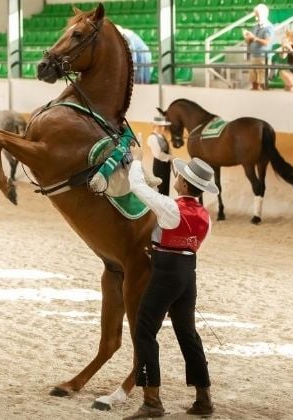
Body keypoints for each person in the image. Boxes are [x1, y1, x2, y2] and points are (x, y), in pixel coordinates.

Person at [123, 147, 218, 420]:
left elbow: (138, 187)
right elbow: (189, 245)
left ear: (185, 184)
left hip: (166, 275)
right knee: (188, 334)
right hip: (189, 274)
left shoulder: (171, 207)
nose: (176, 176)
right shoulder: (205, 217)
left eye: (180, 176)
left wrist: (137, 162)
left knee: (144, 330)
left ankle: (152, 401)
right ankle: (204, 398)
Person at [244, 4, 274, 90]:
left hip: (263, 57)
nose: (256, 17)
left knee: (262, 80)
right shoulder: (255, 26)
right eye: (256, 14)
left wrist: (254, 38)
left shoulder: (269, 28)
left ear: (265, 14)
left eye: (258, 15)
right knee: (253, 79)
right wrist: (248, 38)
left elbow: (267, 42)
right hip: (253, 55)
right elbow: (250, 40)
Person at [147, 116, 173, 195]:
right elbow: (158, 154)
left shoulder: (162, 136)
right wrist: (170, 157)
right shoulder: (152, 138)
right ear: (155, 126)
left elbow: (168, 149)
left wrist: (171, 158)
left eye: (163, 126)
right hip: (159, 165)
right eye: (160, 126)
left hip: (166, 164)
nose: (162, 128)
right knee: (161, 187)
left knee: (166, 186)